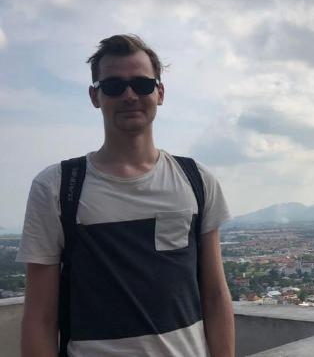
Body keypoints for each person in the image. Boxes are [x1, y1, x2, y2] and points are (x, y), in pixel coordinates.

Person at [17, 34, 235, 357]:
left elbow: (215, 297)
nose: (130, 95)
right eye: (114, 86)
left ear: (160, 93)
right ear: (95, 96)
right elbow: (40, 317)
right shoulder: (56, 188)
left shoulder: (197, 181)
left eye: (142, 85)